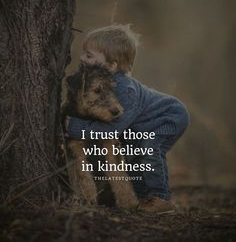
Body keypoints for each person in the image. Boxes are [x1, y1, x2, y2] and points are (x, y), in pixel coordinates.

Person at [65, 24, 190, 213]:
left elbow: (111, 130)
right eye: (84, 53)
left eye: (89, 55)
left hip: (168, 115)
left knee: (150, 149)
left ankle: (160, 197)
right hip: (140, 125)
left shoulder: (125, 91)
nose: (82, 58)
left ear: (111, 65)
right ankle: (142, 198)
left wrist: (72, 127)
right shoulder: (100, 81)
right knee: (132, 156)